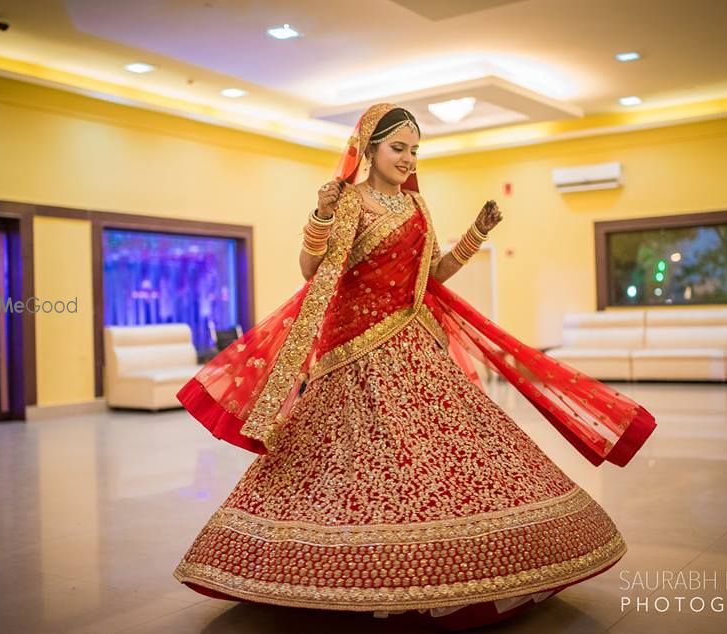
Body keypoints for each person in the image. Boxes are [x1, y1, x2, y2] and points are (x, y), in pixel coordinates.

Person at [172, 103, 656, 631]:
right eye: (398, 148)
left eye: (414, 150)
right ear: (369, 148)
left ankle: (457, 561)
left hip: (415, 341)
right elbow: (312, 270)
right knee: (358, 460)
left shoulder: (418, 207)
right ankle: (343, 567)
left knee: (450, 453)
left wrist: (476, 234)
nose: (407, 159)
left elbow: (434, 276)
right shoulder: (350, 202)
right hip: (355, 351)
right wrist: (320, 217)